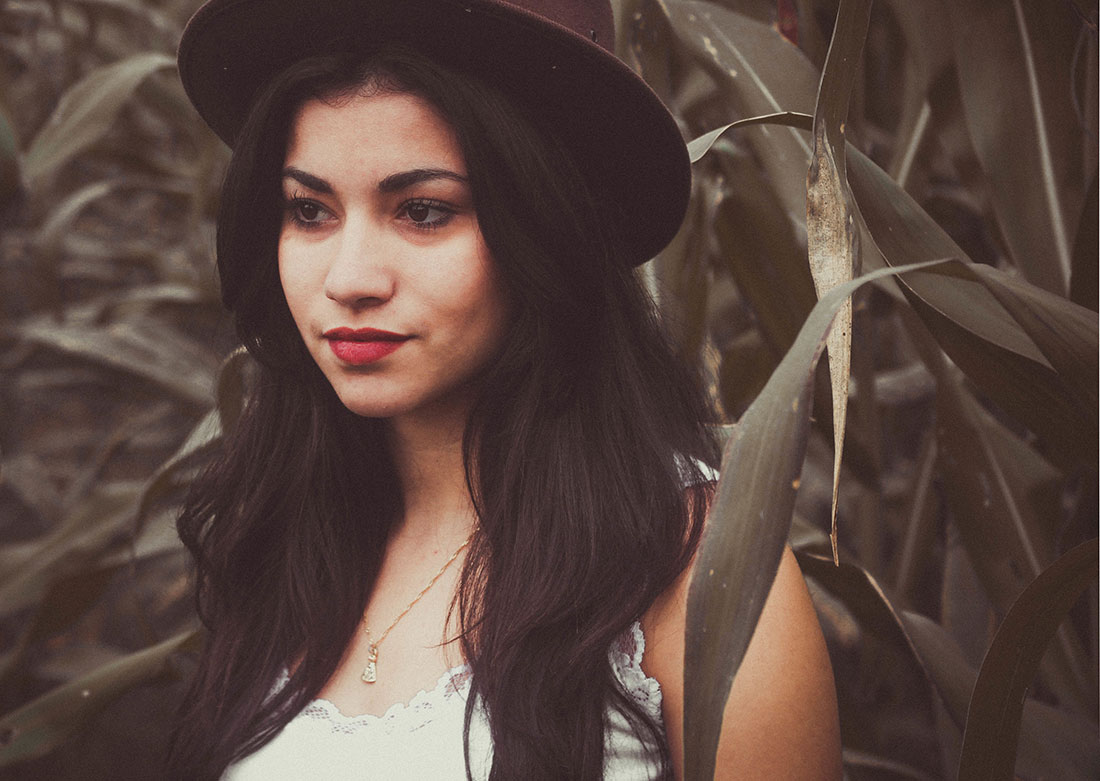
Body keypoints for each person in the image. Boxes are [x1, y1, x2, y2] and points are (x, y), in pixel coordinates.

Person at [168, 0, 840, 778]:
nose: (348, 279)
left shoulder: (700, 568)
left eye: (423, 211)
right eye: (309, 210)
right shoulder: (282, 533)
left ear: (542, 222)